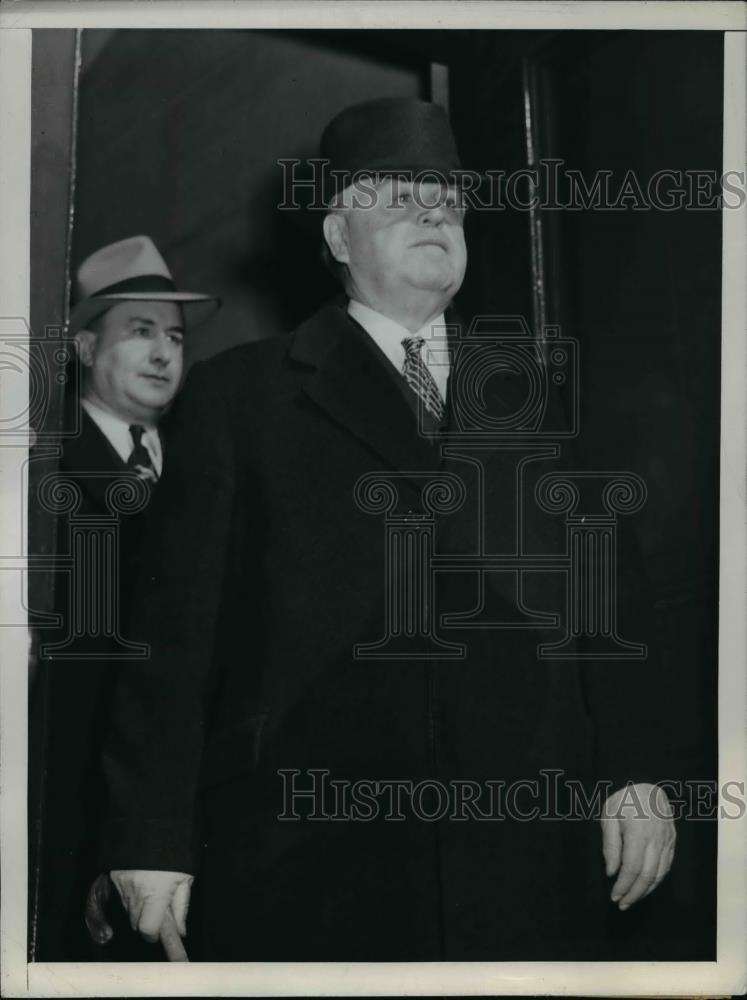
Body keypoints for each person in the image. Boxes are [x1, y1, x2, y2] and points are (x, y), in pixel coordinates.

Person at [99, 99, 678, 962]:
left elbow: (609, 609)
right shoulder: (240, 399)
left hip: (521, 864)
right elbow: (170, 642)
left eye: (446, 193)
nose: (434, 208)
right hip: (312, 860)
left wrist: (635, 772)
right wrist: (151, 836)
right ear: (337, 236)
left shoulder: (532, 397)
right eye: (398, 192)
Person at [33, 235, 218, 960]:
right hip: (74, 789)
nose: (164, 352)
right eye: (139, 331)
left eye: (173, 335)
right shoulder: (45, 465)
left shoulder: (205, 460)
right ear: (84, 346)